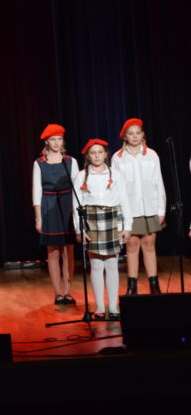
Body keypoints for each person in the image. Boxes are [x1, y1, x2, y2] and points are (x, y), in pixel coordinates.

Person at [73, 139, 132, 320]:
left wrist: (127, 226)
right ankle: (99, 306)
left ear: (106, 154)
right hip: (92, 221)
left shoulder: (115, 174)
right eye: (93, 153)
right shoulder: (82, 176)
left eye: (100, 152)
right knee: (97, 265)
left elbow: (124, 200)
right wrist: (79, 229)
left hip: (111, 219)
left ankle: (113, 307)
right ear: (88, 156)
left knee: (112, 264)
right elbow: (76, 205)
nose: (97, 156)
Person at [111, 118, 166, 295]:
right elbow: (115, 187)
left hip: (149, 208)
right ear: (125, 137)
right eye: (130, 133)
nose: (134, 136)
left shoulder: (151, 155)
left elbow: (158, 182)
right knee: (132, 246)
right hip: (129, 210)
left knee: (149, 245)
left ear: (142, 134)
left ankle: (154, 285)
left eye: (137, 133)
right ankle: (132, 286)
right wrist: (119, 213)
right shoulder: (118, 158)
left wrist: (161, 210)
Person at [32, 123, 79, 305]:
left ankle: (68, 291)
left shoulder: (70, 161)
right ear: (47, 142)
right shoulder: (39, 163)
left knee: (68, 251)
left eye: (59, 139)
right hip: (49, 205)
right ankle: (58, 292)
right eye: (53, 139)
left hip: (67, 206)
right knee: (53, 252)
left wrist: (76, 215)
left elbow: (77, 189)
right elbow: (37, 191)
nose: (57, 142)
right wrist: (38, 217)